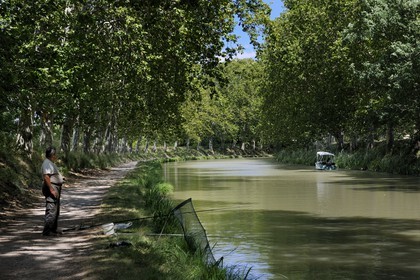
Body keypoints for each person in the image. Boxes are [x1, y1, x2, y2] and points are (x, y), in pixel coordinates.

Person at [41, 146, 65, 236]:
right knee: (51, 209)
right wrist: (51, 189)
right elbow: (46, 176)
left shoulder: (50, 163)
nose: (56, 156)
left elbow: (52, 175)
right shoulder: (47, 163)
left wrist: (60, 178)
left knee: (55, 209)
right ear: (52, 155)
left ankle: (53, 229)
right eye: (55, 154)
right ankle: (48, 231)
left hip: (55, 187)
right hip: (52, 187)